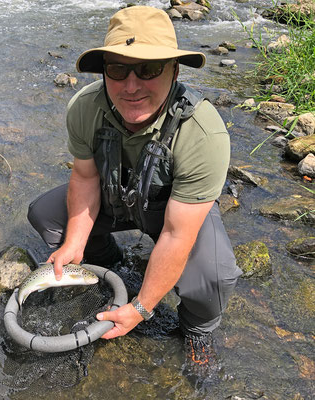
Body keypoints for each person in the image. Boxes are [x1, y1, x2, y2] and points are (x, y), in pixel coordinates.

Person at [27, 5, 242, 375]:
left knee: (214, 274)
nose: (131, 85)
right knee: (47, 216)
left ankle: (197, 331)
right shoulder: (84, 108)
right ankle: (108, 265)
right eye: (118, 69)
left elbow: (177, 235)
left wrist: (141, 308)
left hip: (172, 212)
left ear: (174, 71)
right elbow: (84, 178)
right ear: (104, 71)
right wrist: (75, 244)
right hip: (115, 194)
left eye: (148, 69)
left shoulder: (203, 132)